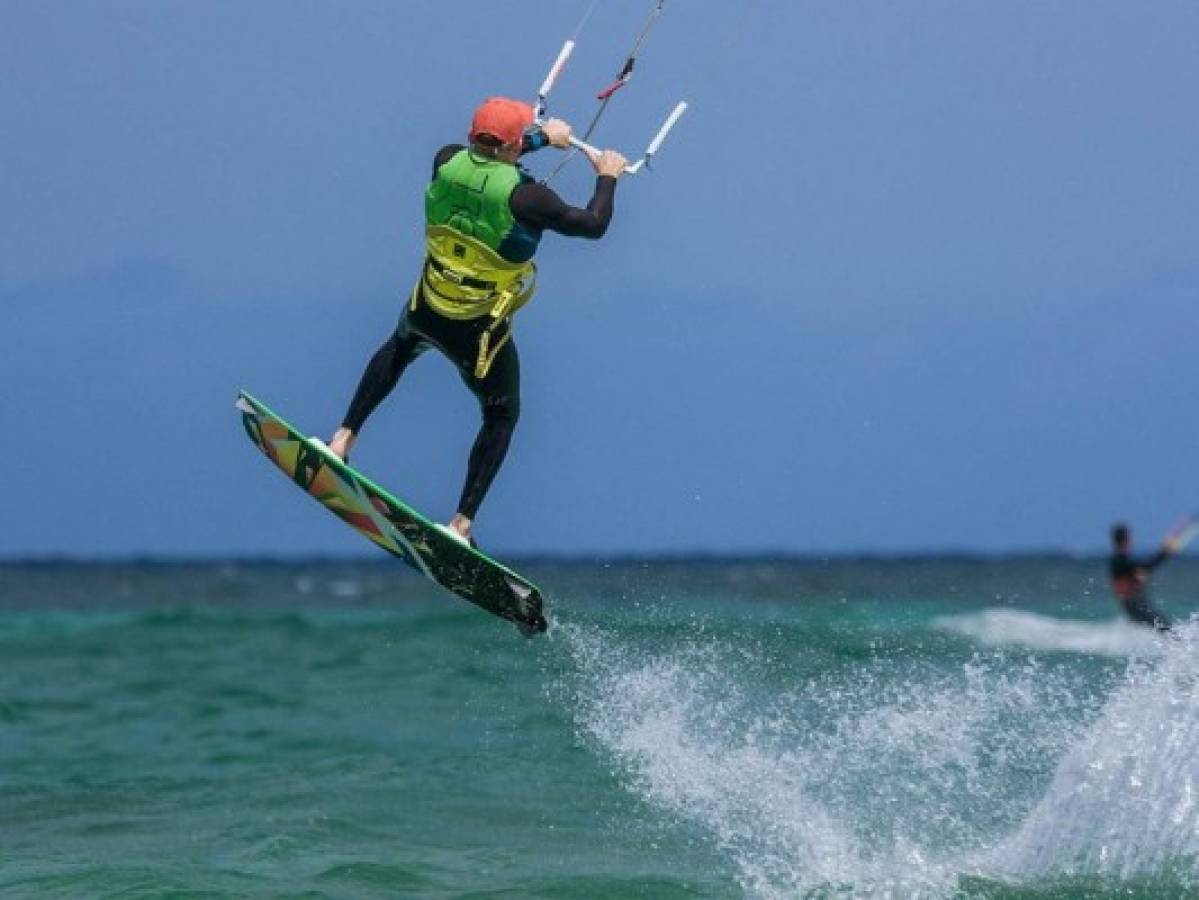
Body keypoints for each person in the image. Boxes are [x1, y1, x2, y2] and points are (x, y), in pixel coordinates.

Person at [326, 97, 628, 546]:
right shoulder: (530, 199)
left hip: (428, 306)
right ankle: (461, 524)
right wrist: (607, 175)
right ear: (513, 147)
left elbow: (490, 162)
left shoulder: (445, 160)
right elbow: (592, 225)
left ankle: (340, 442)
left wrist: (545, 137)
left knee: (400, 346)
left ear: (471, 136)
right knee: (501, 413)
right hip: (476, 331)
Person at [1108, 522, 1184, 631]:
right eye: (1130, 537)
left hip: (1134, 605)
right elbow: (1147, 566)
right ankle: (1183, 645)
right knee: (1164, 627)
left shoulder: (1120, 560)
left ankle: (1180, 644)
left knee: (1163, 627)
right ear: (1126, 540)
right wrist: (1165, 552)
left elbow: (1142, 569)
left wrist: (1165, 552)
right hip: (1134, 605)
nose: (1132, 540)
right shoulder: (1120, 561)